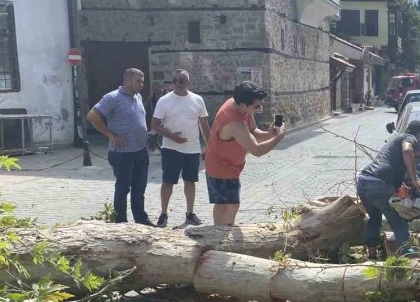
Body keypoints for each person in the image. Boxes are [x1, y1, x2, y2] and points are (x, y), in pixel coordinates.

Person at [204, 81, 286, 226]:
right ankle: (221, 233)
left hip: (230, 166)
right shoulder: (233, 123)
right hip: (220, 167)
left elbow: (253, 131)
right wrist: (278, 137)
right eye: (256, 106)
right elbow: (256, 150)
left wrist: (269, 134)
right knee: (226, 204)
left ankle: (224, 229)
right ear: (243, 104)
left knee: (229, 203)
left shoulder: (242, 108)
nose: (258, 109)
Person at [86, 68, 155, 225]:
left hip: (140, 151)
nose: (142, 84)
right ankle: (121, 222)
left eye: (142, 81)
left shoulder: (137, 97)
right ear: (127, 81)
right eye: (139, 81)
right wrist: (110, 135)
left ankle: (141, 220)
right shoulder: (113, 98)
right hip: (123, 153)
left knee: (139, 188)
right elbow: (92, 115)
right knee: (123, 188)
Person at [356, 120, 420, 256]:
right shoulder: (409, 137)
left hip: (364, 181)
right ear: (419, 136)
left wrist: (400, 186)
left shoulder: (395, 137)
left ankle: (371, 254)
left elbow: (393, 164)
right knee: (398, 219)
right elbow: (408, 150)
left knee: (374, 218)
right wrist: (414, 179)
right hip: (378, 184)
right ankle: (406, 255)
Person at [151, 69, 211, 227]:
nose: (177, 83)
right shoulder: (164, 100)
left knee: (190, 182)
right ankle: (163, 214)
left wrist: (210, 146)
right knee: (167, 182)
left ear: (188, 83)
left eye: (181, 80)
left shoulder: (197, 100)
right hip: (171, 149)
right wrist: (172, 136)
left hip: (192, 149)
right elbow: (155, 125)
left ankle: (190, 214)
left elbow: (204, 125)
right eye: (175, 80)